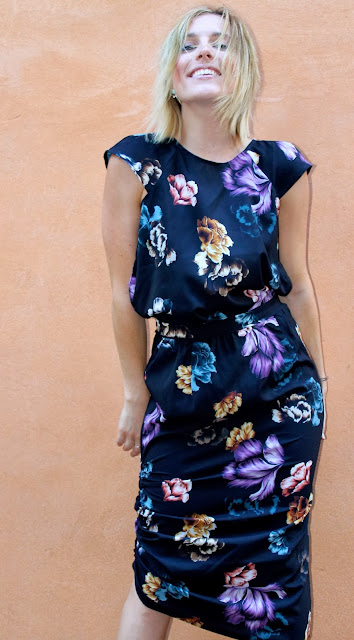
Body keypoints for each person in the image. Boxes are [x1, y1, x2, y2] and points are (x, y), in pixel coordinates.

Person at [102, 5, 326, 639]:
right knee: (157, 571)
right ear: (173, 75)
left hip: (278, 399)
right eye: (190, 44)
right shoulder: (137, 164)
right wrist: (134, 393)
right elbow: (123, 293)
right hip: (180, 395)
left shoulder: (281, 167)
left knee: (277, 585)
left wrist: (322, 385)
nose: (204, 52)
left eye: (220, 44)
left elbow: (298, 285)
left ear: (242, 69)